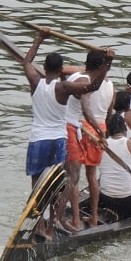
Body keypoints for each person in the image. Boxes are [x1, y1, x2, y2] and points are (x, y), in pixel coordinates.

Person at [22, 30, 113, 232]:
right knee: (60, 184)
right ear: (60, 69)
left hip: (37, 140)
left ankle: (37, 225)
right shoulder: (64, 87)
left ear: (45, 68)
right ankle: (54, 224)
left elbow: (27, 62)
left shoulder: (35, 82)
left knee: (36, 185)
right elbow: (93, 86)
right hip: (57, 140)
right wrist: (107, 64)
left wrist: (40, 38)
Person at [76, 49, 116, 228]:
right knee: (92, 174)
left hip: (85, 127)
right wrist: (102, 133)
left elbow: (85, 108)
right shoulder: (111, 85)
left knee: (73, 175)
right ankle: (93, 217)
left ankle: (76, 219)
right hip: (101, 127)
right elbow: (109, 113)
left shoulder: (86, 81)